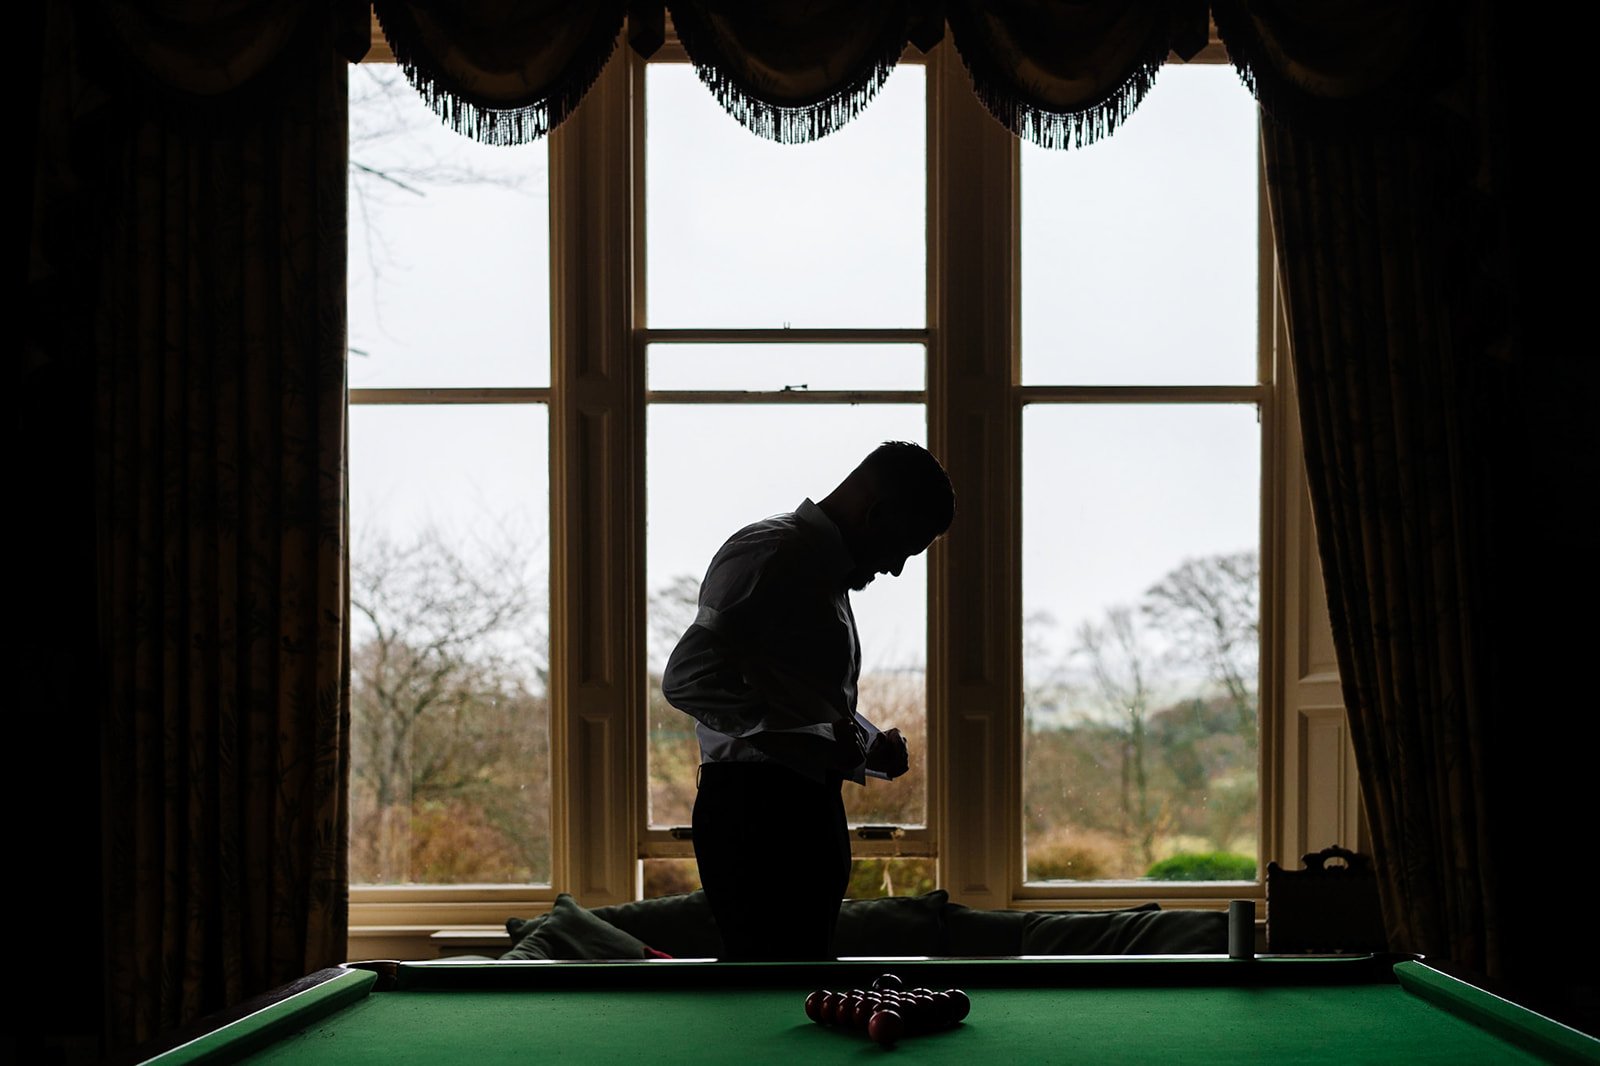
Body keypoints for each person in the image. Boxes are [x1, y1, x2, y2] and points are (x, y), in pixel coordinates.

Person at [662, 441, 956, 961]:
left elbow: (798, 698)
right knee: (768, 993)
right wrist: (816, 750)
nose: (895, 570)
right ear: (878, 513)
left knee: (798, 981)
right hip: (758, 818)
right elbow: (689, 679)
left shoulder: (813, 568)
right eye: (904, 548)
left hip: (791, 808)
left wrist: (865, 747)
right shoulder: (773, 555)